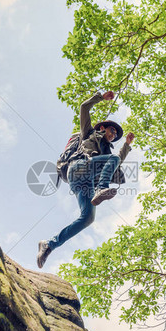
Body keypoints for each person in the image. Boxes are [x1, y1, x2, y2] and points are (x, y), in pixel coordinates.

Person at [37, 91, 135, 268]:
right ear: (102, 128)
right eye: (111, 130)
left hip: (84, 183)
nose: (113, 134)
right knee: (112, 161)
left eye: (115, 134)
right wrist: (100, 98)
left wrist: (126, 145)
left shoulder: (107, 153)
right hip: (77, 167)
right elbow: (84, 107)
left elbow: (117, 160)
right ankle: (101, 189)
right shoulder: (88, 132)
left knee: (88, 218)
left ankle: (49, 245)